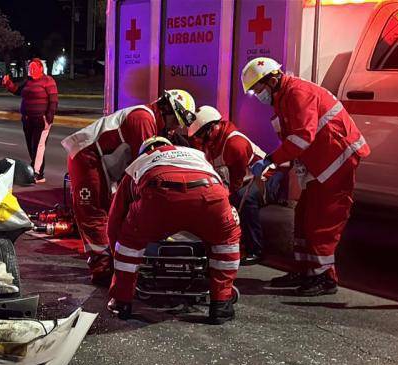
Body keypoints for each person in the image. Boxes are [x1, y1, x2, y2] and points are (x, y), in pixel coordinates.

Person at [242, 57, 370, 296]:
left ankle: (324, 278)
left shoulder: (297, 93)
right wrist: (278, 165)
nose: (258, 95)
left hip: (336, 160)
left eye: (258, 89)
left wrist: (271, 160)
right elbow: (294, 140)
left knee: (322, 221)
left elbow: (302, 137)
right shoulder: (283, 97)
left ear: (272, 80)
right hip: (322, 162)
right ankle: (305, 271)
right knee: (303, 218)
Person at [60, 90, 196, 285]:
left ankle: (116, 259)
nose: (174, 129)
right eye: (175, 122)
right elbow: (146, 166)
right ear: (166, 109)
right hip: (86, 157)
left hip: (100, 160)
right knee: (93, 211)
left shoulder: (149, 120)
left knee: (112, 209)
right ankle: (103, 267)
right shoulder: (143, 119)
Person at [106, 136, 241, 324]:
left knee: (129, 243)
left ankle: (122, 302)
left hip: (159, 196)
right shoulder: (198, 156)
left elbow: (115, 217)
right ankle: (222, 304)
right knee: (227, 241)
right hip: (210, 193)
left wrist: (116, 252)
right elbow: (223, 192)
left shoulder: (138, 165)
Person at [188, 105, 285, 265]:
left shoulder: (234, 144)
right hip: (243, 179)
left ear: (212, 127)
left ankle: (255, 249)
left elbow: (236, 182)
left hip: (266, 177)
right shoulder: (210, 142)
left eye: (200, 135)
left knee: (242, 199)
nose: (197, 140)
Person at [2, 58, 58, 183]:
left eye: (33, 68)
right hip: (27, 119)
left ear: (40, 69)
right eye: (29, 68)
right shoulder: (28, 82)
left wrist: (48, 118)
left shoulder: (48, 81)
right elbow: (17, 90)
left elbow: (53, 101)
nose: (30, 70)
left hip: (41, 120)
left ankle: (37, 173)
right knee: (31, 146)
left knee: (38, 146)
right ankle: (36, 171)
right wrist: (8, 84)